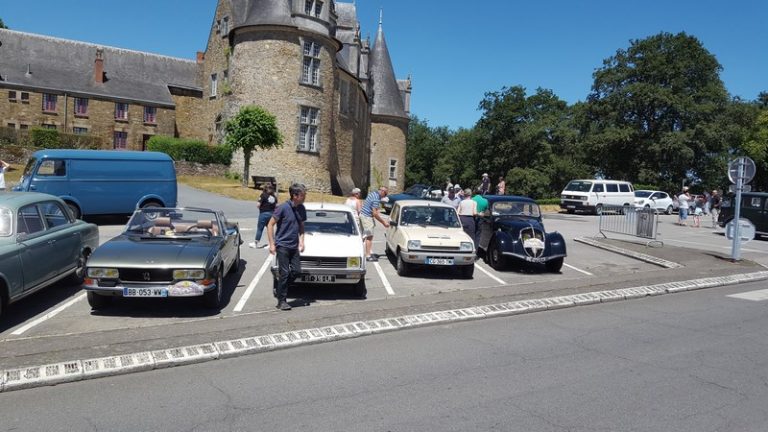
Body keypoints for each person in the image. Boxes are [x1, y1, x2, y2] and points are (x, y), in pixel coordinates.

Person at [267, 183, 307, 311]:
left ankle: (280, 288)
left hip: (294, 246)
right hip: (282, 245)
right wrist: (272, 244)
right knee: (284, 273)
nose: (305, 197)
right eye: (303, 195)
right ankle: (282, 301)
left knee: (296, 271)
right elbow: (270, 224)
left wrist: (302, 241)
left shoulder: (301, 208)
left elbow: (301, 226)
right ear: (295, 196)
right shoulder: (283, 208)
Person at [360, 186, 390, 261]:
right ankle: (368, 256)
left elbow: (374, 209)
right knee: (369, 237)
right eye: (385, 194)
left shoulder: (373, 194)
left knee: (363, 236)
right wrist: (384, 222)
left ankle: (359, 253)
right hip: (367, 217)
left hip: (364, 215)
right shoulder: (376, 198)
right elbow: (375, 214)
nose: (384, 196)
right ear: (382, 192)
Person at [249, 183, 277, 248]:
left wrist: (260, 208)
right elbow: (276, 206)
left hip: (264, 213)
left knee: (260, 228)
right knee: (270, 228)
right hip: (272, 214)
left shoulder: (263, 195)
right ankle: (271, 243)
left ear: (265, 188)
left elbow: (258, 205)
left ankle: (256, 243)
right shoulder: (274, 196)